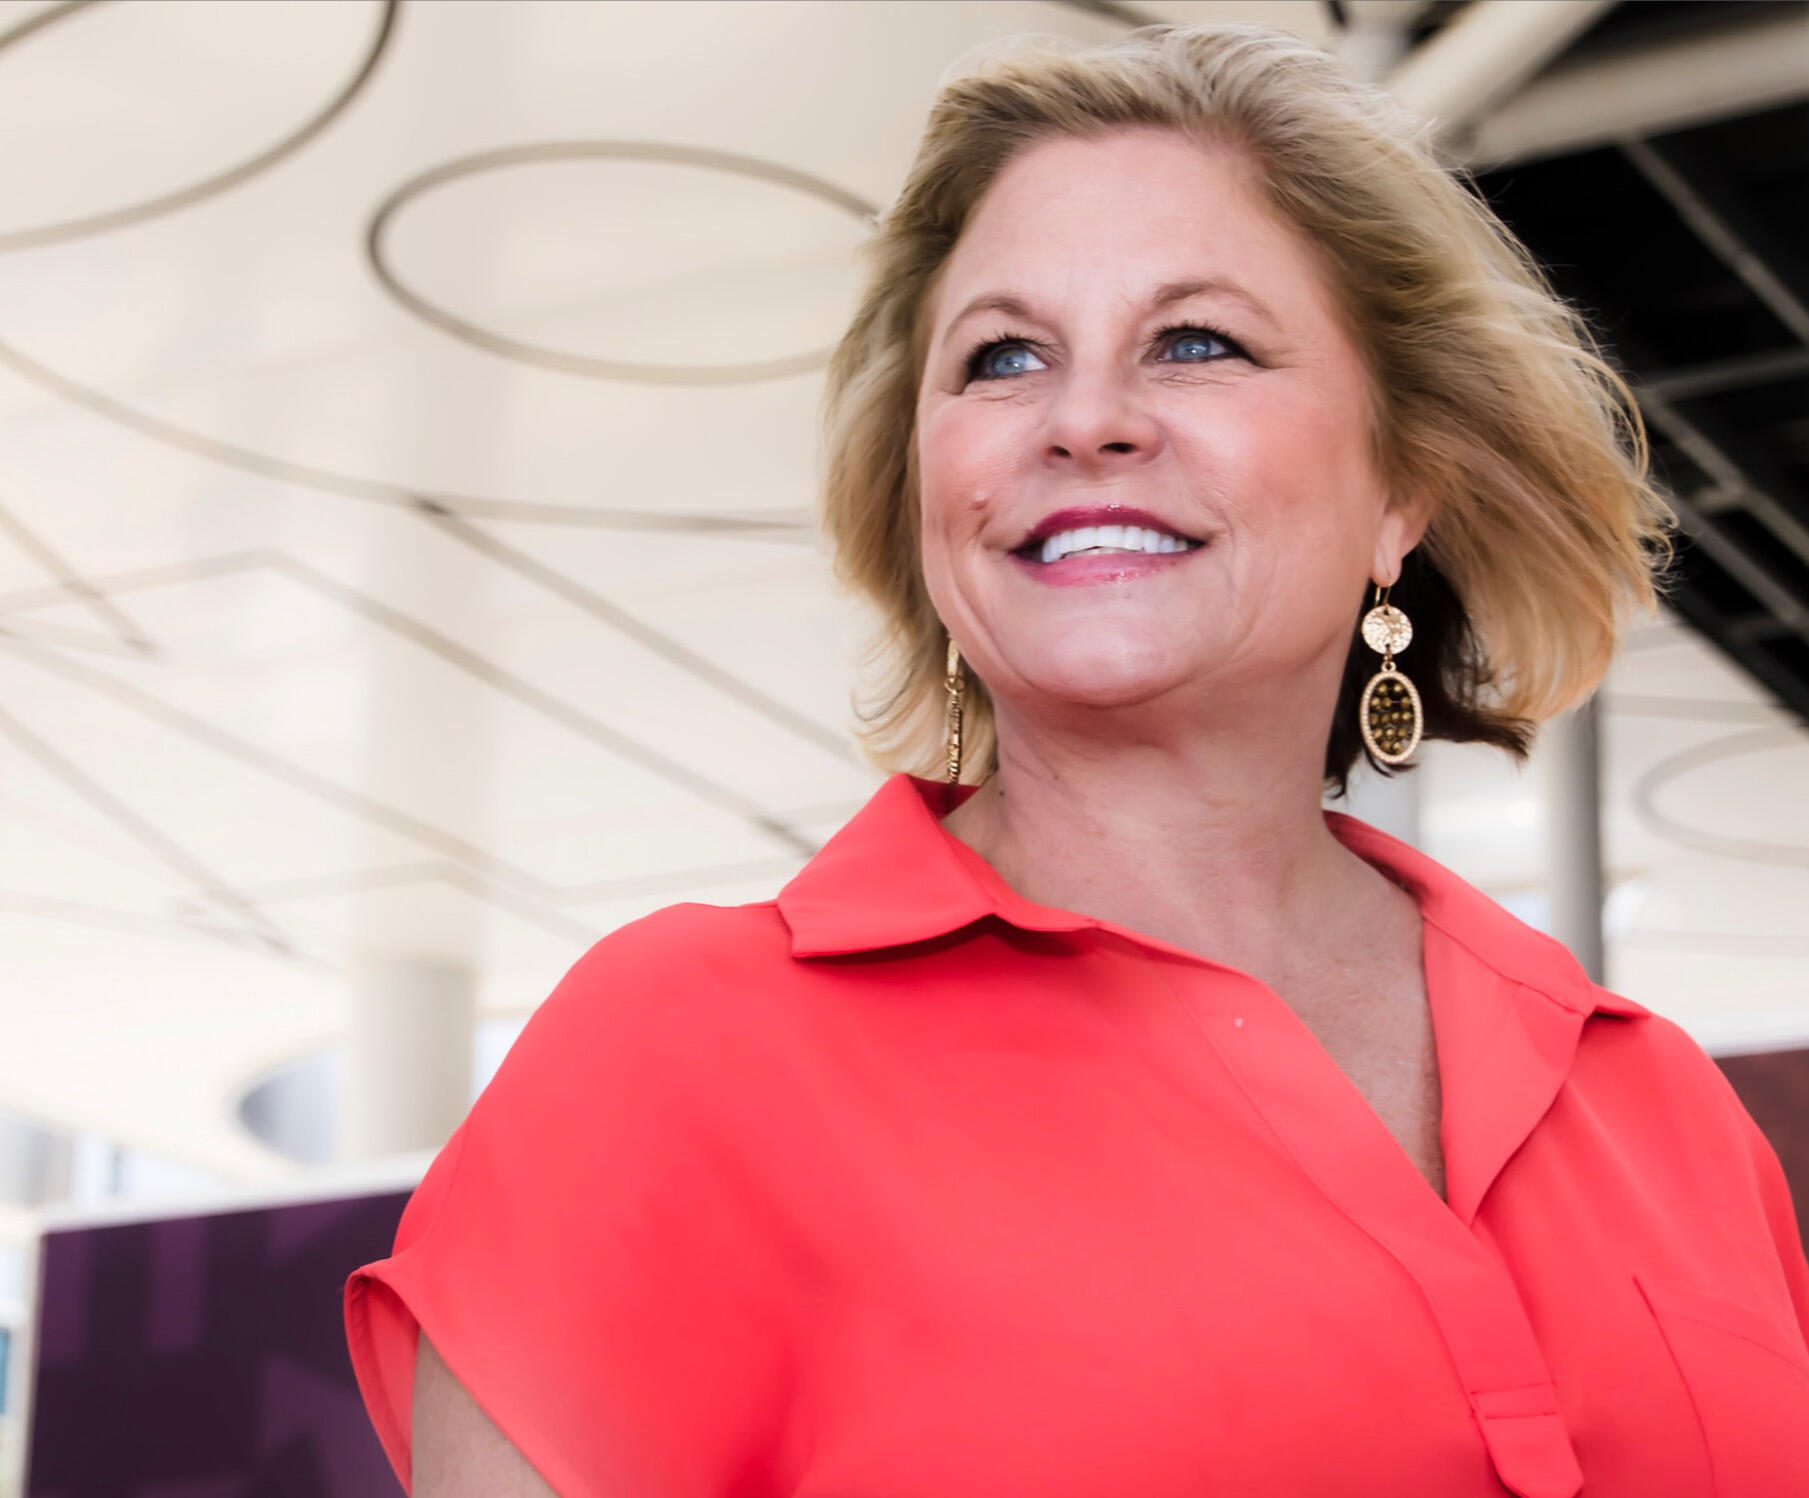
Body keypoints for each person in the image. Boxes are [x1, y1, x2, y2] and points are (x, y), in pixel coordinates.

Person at [345, 23, 1809, 1498]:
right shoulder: (676, 1057)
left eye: (1195, 342)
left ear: (1400, 488)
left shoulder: (1657, 1103)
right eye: (1002, 357)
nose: (1084, 419)